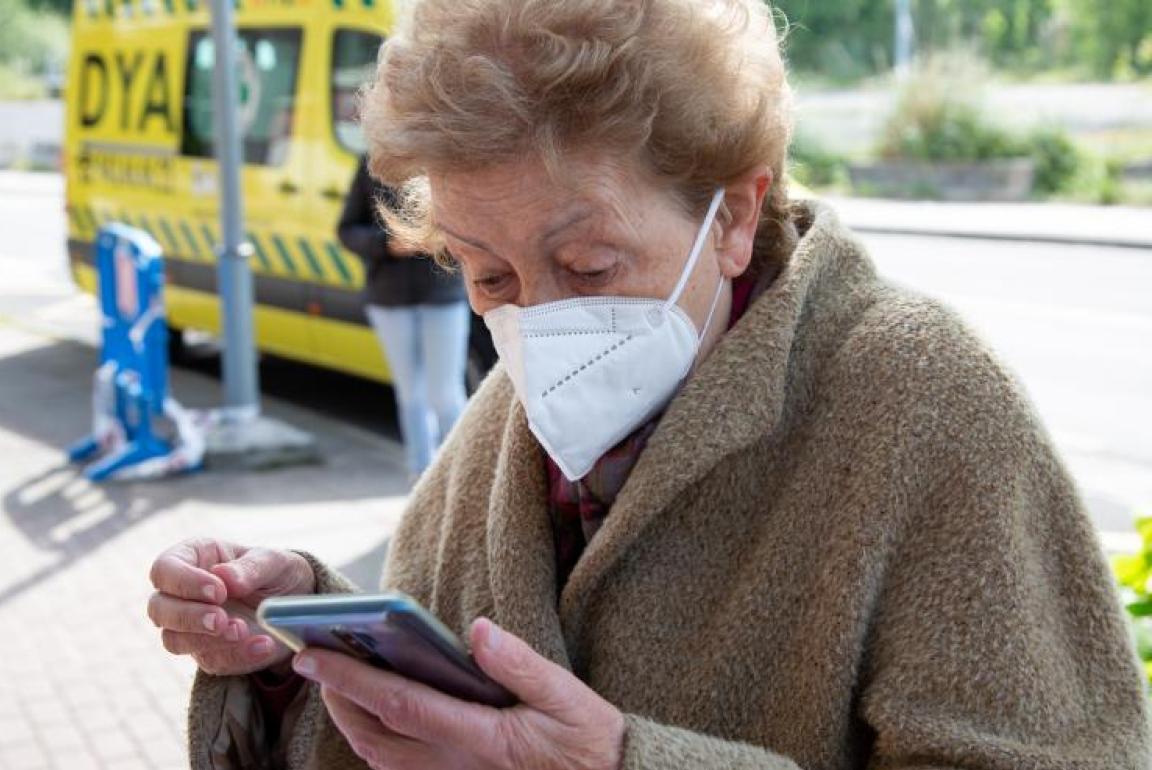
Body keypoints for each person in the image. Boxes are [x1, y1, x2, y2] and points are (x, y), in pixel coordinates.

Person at [147, 1, 1152, 768]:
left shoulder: (926, 403)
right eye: (487, 274)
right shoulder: (502, 428)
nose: (537, 324)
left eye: (589, 266)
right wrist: (302, 654)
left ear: (736, 214)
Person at [339, 155, 470, 480]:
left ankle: (463, 475)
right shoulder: (372, 163)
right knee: (410, 393)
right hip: (389, 296)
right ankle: (420, 475)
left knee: (445, 393)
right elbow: (346, 230)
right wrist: (386, 245)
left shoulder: (444, 155)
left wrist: (439, 239)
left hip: (443, 293)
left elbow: (473, 222)